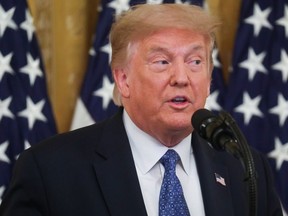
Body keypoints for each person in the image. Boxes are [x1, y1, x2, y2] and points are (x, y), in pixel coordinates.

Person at [0, 3, 283, 216]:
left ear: (209, 80)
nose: (182, 77)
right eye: (162, 61)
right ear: (123, 79)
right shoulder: (51, 170)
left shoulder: (245, 169)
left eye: (195, 62)